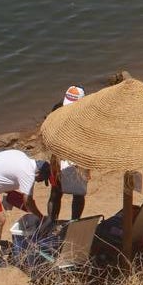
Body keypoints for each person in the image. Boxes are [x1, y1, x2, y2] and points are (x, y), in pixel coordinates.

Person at [47, 85, 91, 222]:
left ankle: (74, 222)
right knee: (56, 192)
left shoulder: (88, 113)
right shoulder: (58, 109)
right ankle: (52, 221)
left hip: (78, 156)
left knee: (78, 193)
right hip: (59, 155)